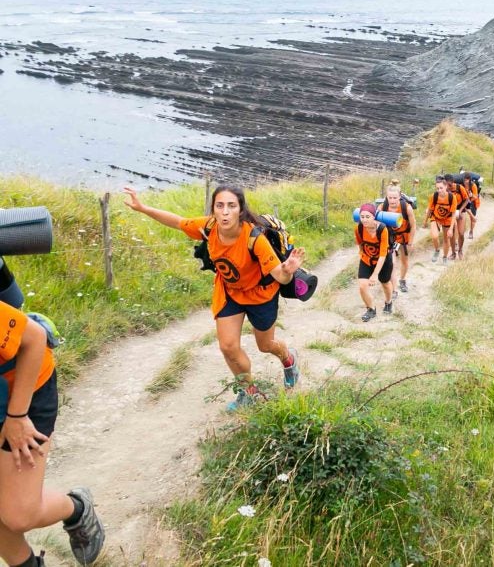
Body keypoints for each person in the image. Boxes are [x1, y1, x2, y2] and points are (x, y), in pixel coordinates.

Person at [124, 185, 302, 411]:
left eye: (231, 206)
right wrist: (142, 208)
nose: (225, 212)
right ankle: (249, 393)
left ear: (240, 210)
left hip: (260, 294)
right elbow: (178, 222)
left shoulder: (254, 238)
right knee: (228, 347)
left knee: (265, 345)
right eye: (220, 206)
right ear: (213, 209)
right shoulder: (208, 226)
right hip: (230, 292)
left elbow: (280, 276)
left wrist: (287, 271)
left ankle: (289, 359)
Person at [0, 301, 105, 566]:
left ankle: (77, 508)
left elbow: (34, 338)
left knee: (19, 515)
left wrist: (17, 416)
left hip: (25, 392)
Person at [355, 203, 394, 322]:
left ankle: (388, 302)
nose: (364, 220)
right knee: (362, 285)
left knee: (385, 283)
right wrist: (363, 255)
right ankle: (371, 309)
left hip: (383, 260)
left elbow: (382, 254)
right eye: (362, 217)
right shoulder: (359, 228)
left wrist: (374, 275)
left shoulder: (382, 229)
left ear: (374, 216)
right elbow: (360, 244)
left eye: (368, 217)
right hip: (367, 259)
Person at [379, 183, 416, 294]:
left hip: (404, 237)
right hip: (390, 238)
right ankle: (394, 289)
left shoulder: (406, 208)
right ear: (386, 197)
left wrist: (410, 242)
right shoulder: (382, 208)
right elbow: (377, 223)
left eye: (395, 198)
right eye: (390, 198)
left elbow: (413, 225)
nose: (392, 200)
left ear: (399, 197)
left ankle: (402, 280)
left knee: (404, 261)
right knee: (392, 263)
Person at [426, 177, 460, 263]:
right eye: (437, 188)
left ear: (446, 186)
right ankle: (437, 250)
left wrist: (451, 229)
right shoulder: (434, 196)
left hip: (447, 219)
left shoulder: (452, 197)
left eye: (441, 188)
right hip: (436, 217)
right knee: (434, 236)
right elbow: (429, 210)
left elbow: (453, 214)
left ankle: (444, 257)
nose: (439, 190)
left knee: (446, 239)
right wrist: (425, 221)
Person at [446, 174, 471, 260]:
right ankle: (453, 253)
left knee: (461, 233)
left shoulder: (460, 188)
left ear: (453, 182)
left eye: (449, 185)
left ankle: (460, 250)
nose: (448, 187)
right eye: (446, 185)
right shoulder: (445, 190)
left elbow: (467, 200)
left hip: (460, 210)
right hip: (451, 212)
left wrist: (460, 210)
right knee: (452, 234)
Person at [460, 172, 480, 240]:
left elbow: (475, 196)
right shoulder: (462, 185)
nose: (465, 181)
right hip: (465, 201)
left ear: (469, 180)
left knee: (472, 218)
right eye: (464, 180)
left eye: (466, 180)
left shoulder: (473, 185)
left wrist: (471, 195)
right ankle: (461, 231)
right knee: (461, 214)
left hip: (472, 201)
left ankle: (471, 231)